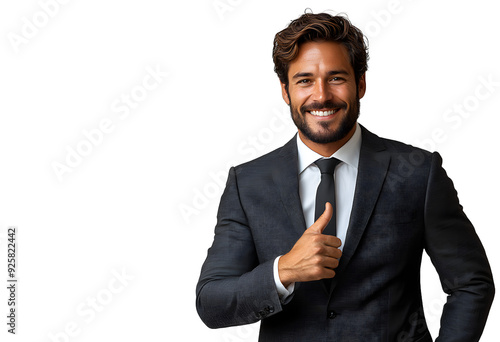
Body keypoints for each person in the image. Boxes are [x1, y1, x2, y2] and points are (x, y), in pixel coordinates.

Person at [196, 12, 494, 341]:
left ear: (360, 83)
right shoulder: (248, 183)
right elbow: (212, 303)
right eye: (305, 80)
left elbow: (471, 284)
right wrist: (285, 270)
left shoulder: (418, 173)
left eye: (336, 78)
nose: (321, 95)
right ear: (285, 90)